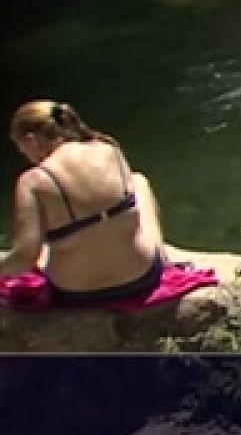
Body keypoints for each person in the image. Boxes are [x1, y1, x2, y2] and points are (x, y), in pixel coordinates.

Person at [2, 102, 169, 303]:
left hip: (75, 290)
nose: (24, 155)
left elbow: (26, 256)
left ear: (31, 140)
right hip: (139, 277)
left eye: (21, 148)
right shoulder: (109, 149)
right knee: (138, 181)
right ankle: (164, 258)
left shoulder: (34, 180)